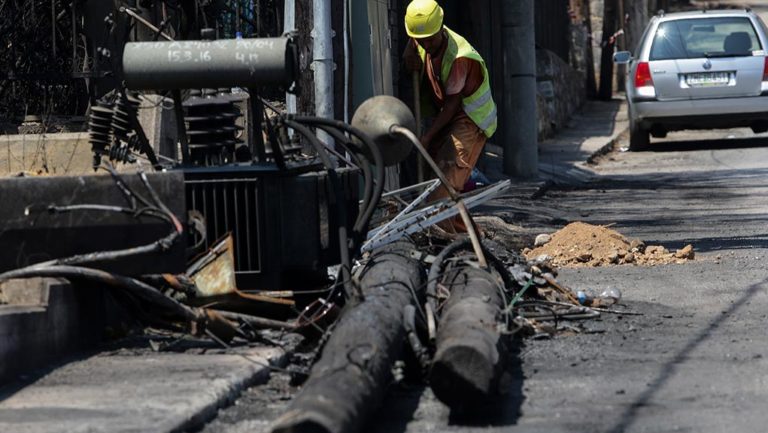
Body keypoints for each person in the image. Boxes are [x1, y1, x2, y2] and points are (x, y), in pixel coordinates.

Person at [403, 0, 497, 233]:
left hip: (470, 119)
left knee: (444, 184)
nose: (425, 44)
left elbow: (453, 105)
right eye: (420, 40)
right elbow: (415, 38)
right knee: (432, 180)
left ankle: (448, 241)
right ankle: (467, 237)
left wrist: (427, 137)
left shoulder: (460, 57)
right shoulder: (423, 35)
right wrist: (409, 51)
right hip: (446, 115)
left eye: (429, 40)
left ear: (441, 27)